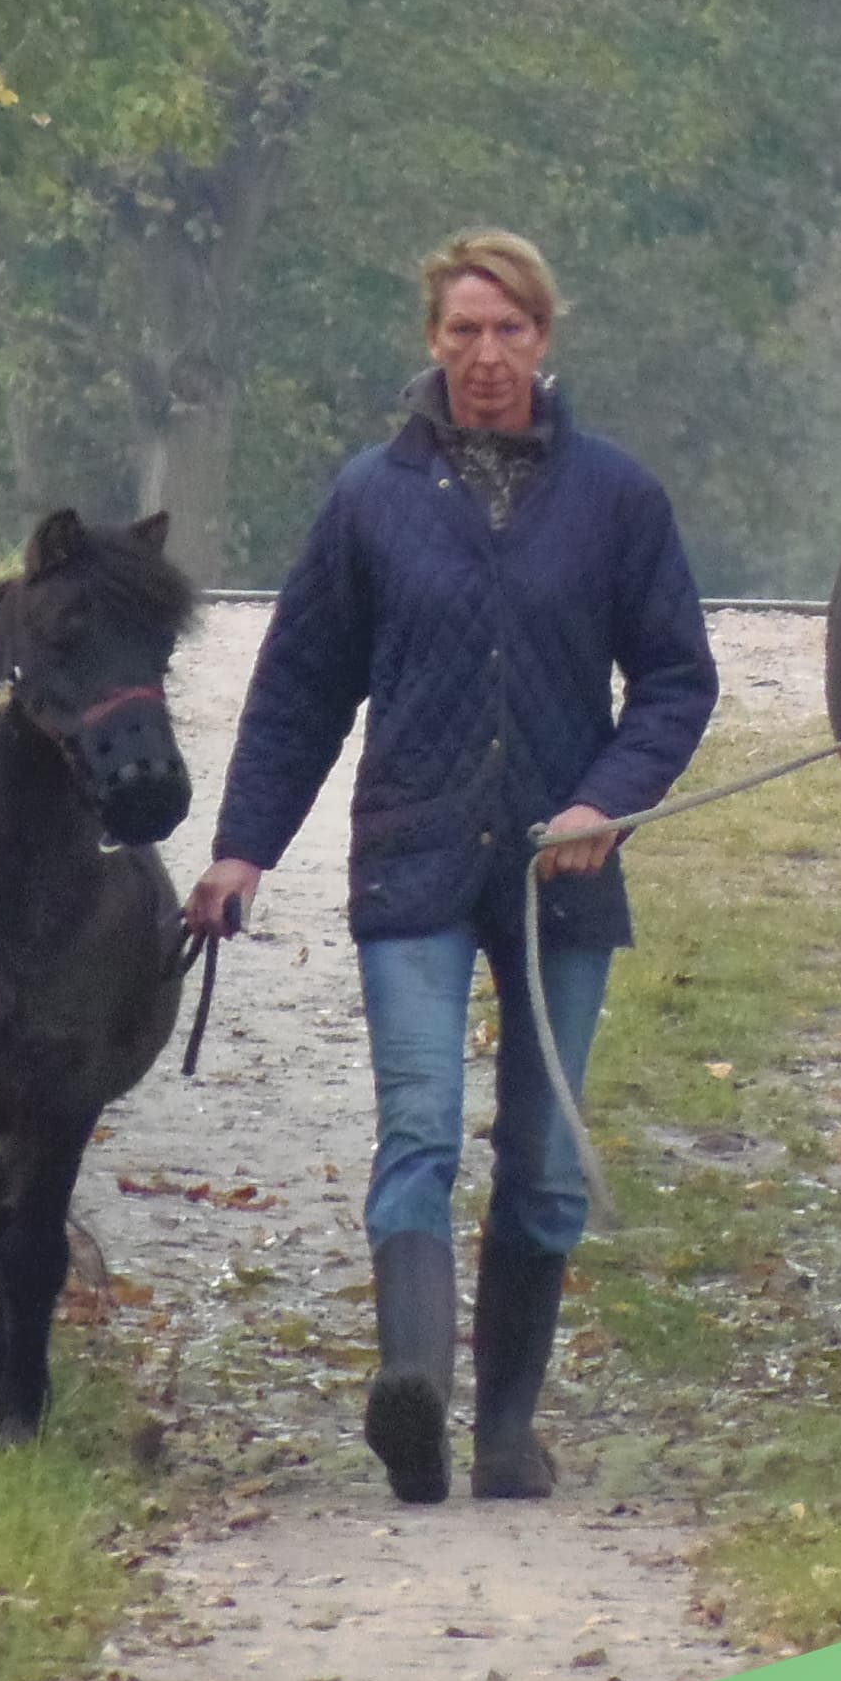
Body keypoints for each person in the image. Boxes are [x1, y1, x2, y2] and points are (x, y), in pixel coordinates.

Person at [185, 230, 717, 1503]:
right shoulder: (369, 499)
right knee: (417, 1125)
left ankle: (506, 1428)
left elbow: (677, 679)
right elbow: (299, 690)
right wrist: (241, 849)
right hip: (413, 858)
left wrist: (608, 798)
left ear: (545, 337)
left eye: (510, 330)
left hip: (559, 874)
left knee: (539, 1160)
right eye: (463, 331)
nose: (486, 355)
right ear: (431, 339)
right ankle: (411, 1386)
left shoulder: (616, 499)